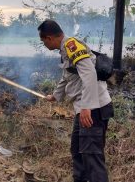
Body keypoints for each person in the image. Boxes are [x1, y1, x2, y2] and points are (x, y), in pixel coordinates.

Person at [38, 20, 114, 182]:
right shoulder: (65, 50)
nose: (44, 44)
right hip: (85, 109)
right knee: (78, 150)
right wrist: (56, 96)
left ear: (49, 38)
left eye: (43, 41)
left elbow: (90, 75)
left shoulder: (72, 45)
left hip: (94, 109)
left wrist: (87, 107)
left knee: (91, 156)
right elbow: (68, 77)